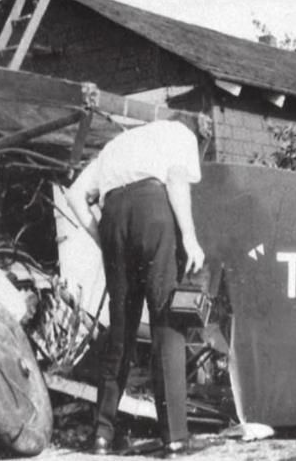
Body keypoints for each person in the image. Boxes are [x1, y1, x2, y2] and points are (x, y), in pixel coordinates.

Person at [66, 117, 207, 458]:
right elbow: (175, 179)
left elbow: (74, 196)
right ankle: (174, 438)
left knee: (121, 329)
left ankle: (102, 434)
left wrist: (105, 241)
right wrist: (189, 237)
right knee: (166, 323)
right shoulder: (181, 134)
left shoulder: (116, 145)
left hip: (113, 215)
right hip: (153, 210)